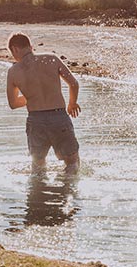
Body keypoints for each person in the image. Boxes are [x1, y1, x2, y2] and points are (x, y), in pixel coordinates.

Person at [6, 32, 81, 172]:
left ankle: (39, 192)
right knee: (72, 163)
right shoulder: (51, 59)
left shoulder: (13, 71)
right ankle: (68, 190)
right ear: (30, 46)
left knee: (38, 167)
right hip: (59, 118)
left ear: (15, 49)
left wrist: (31, 96)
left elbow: (13, 103)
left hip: (36, 121)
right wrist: (72, 103)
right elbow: (74, 84)